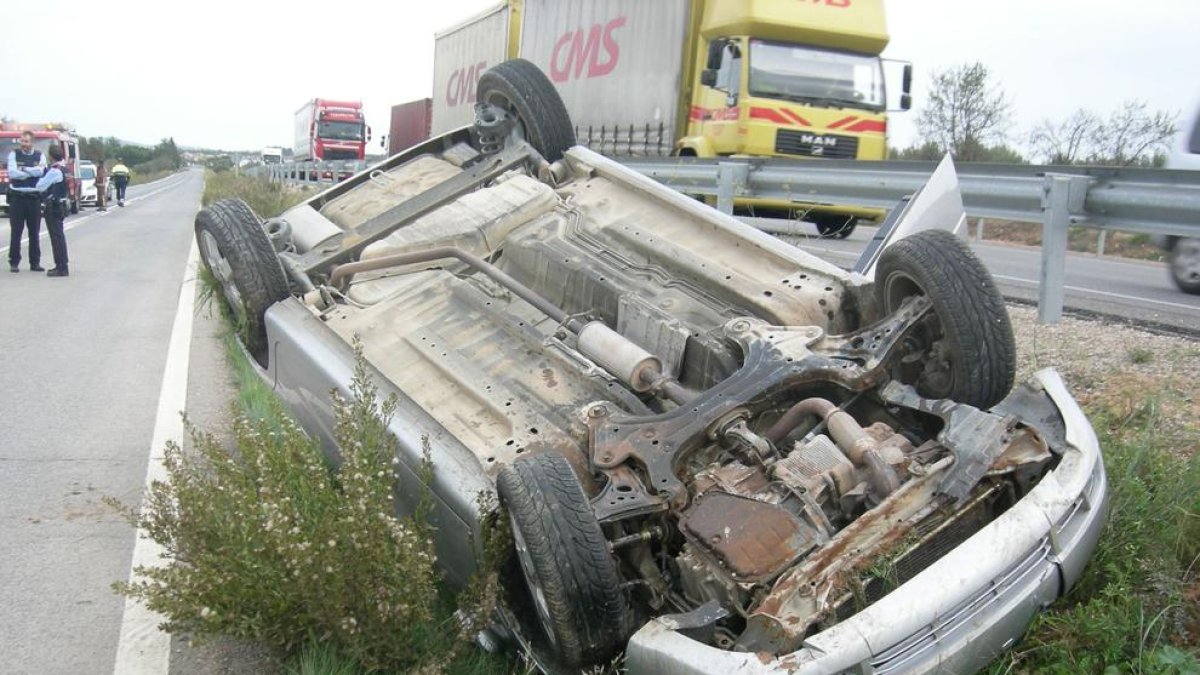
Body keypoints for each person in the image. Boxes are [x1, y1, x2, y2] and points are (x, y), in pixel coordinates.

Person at [6, 130, 46, 272]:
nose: (24, 144)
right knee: (16, 232)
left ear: (32, 142)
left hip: (33, 198)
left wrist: (23, 169)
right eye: (22, 141)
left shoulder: (40, 155)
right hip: (17, 197)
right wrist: (30, 172)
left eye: (26, 141)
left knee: (34, 232)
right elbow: (12, 173)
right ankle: (14, 262)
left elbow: (41, 172)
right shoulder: (13, 154)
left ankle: (35, 263)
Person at [36, 144, 70, 277]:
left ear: (50, 156)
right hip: (60, 205)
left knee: (56, 238)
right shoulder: (63, 168)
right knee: (59, 237)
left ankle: (61, 267)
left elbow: (40, 186)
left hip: (53, 206)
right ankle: (62, 265)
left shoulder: (54, 170)